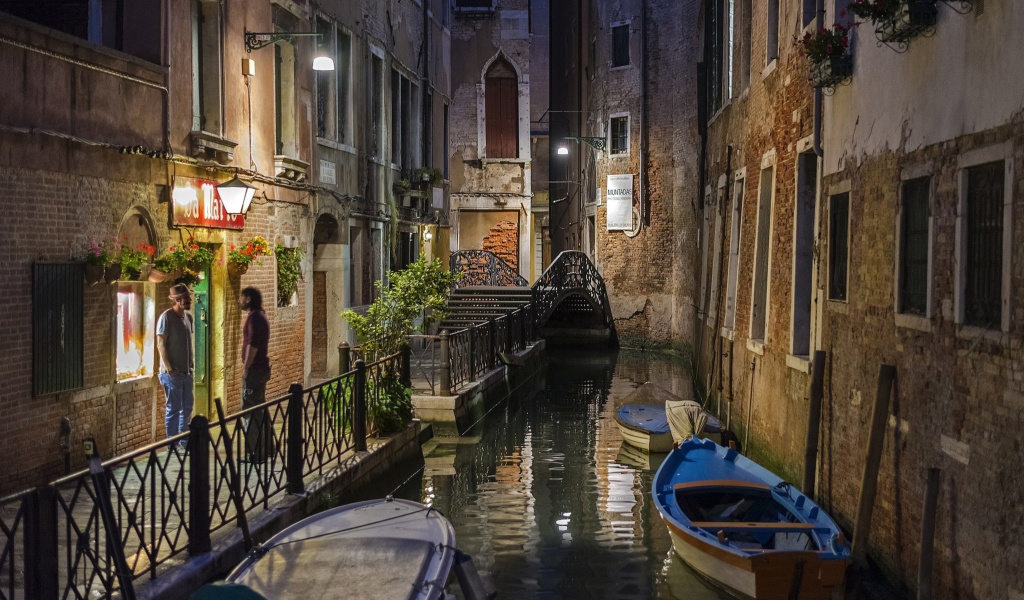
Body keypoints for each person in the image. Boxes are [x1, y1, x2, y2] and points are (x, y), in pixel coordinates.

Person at [157, 284, 195, 447]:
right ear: (177, 300)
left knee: (187, 406)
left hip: (186, 373)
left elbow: (187, 342)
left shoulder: (189, 317)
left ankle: (183, 440)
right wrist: (170, 369)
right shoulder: (166, 317)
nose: (190, 300)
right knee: (173, 409)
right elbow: (161, 344)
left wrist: (191, 367)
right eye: (186, 298)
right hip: (172, 374)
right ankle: (171, 442)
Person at [239, 287, 272, 461]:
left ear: (248, 299)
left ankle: (256, 452)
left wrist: (246, 367)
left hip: (255, 370)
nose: (240, 300)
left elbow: (253, 345)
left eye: (242, 297)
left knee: (250, 410)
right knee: (260, 408)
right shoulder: (261, 316)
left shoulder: (254, 319)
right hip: (261, 368)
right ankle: (269, 448)